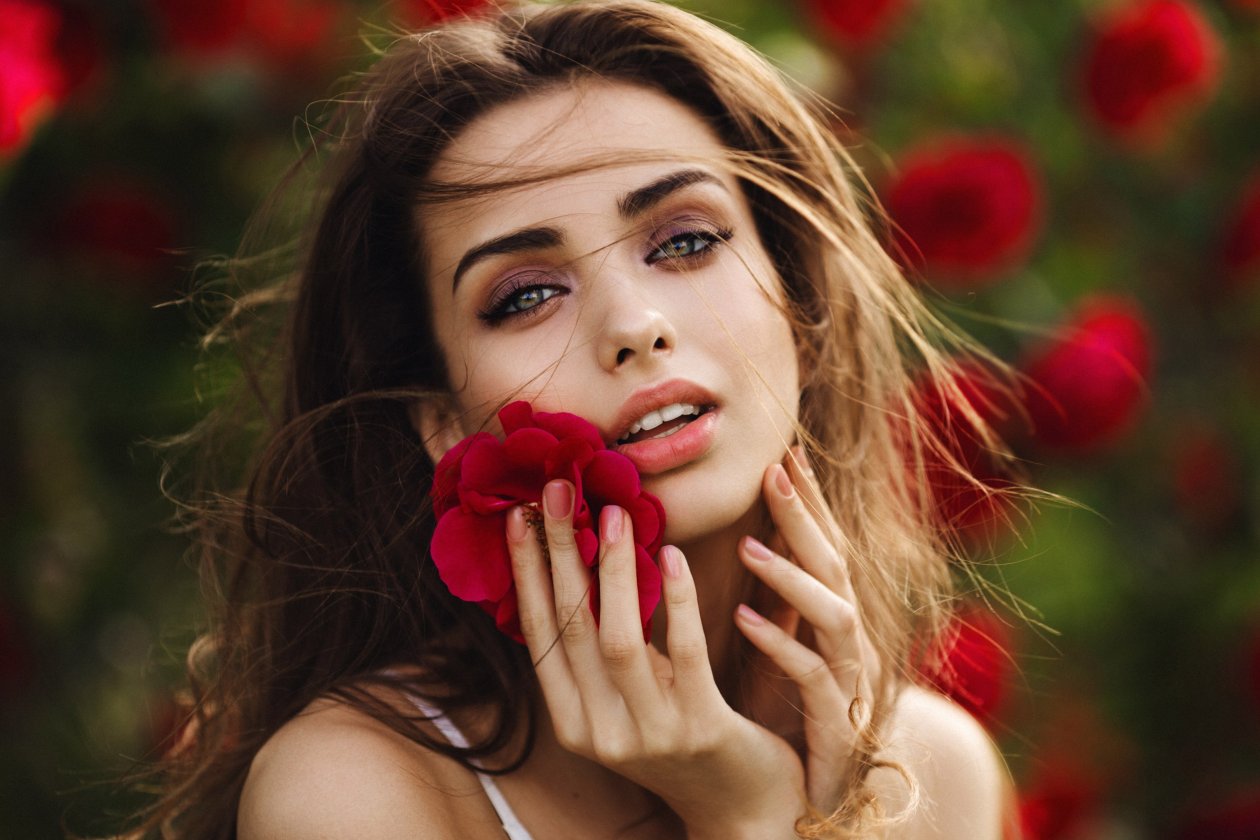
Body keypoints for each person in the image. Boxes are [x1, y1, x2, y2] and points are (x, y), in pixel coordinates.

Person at [135, 1, 1018, 837]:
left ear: (798, 306)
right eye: (525, 296)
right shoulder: (357, 793)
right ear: (445, 423)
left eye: (685, 241)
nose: (634, 326)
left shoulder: (940, 775)